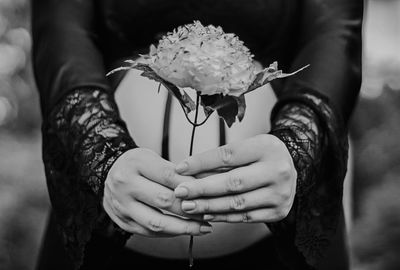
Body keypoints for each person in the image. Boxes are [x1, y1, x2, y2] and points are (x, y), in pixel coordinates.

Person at [32, 1, 363, 269]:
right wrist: (98, 153)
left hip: (282, 231)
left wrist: (298, 147)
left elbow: (334, 34)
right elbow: (61, 31)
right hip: (102, 220)